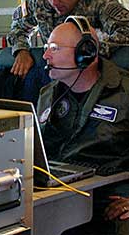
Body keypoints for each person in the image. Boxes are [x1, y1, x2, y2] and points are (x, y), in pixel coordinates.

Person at [36, 15, 129, 235]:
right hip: (56, 191)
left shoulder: (125, 92)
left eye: (55, 48)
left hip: (108, 192)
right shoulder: (48, 94)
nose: (45, 55)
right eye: (47, 47)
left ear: (85, 54)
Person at [7, 0, 129, 89]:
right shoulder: (38, 0)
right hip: (52, 70)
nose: (53, 1)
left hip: (84, 75)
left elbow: (126, 31)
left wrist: (87, 51)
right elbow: (17, 26)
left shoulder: (100, 2)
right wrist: (21, 50)